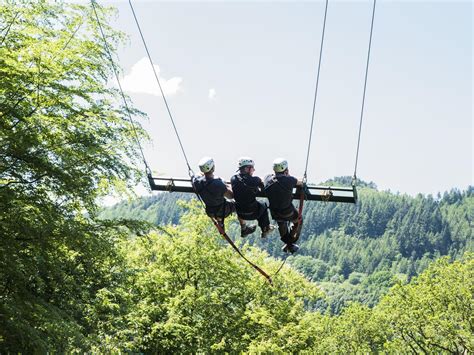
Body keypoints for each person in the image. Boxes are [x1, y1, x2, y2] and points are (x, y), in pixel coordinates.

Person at [263, 158, 303, 253]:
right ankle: (291, 243)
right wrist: (288, 176)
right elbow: (300, 182)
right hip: (288, 212)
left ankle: (288, 243)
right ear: (286, 170)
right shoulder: (289, 180)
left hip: (275, 212)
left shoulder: (267, 179)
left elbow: (266, 179)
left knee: (281, 221)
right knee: (298, 220)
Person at [231, 157, 273, 238]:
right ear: (247, 168)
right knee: (263, 205)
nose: (254, 170)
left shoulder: (233, 179)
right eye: (252, 168)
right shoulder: (255, 180)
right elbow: (263, 189)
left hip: (240, 213)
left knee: (258, 205)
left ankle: (245, 228)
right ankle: (265, 228)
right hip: (252, 213)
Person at [191, 157, 235, 230]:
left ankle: (220, 222)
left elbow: (195, 176)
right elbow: (231, 196)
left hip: (210, 211)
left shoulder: (197, 182)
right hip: (222, 211)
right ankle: (244, 227)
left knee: (216, 202)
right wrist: (225, 184)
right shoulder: (218, 184)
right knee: (238, 204)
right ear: (213, 168)